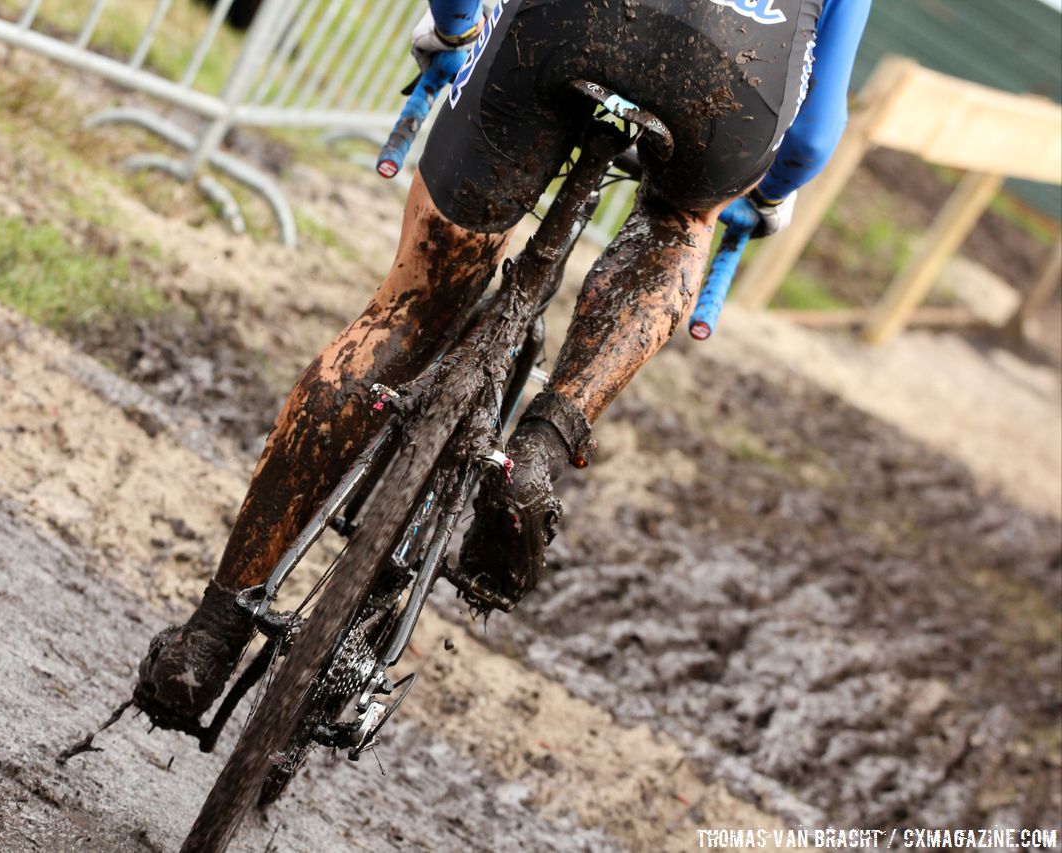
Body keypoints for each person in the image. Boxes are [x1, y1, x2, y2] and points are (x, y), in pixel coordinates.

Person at [133, 0, 872, 727]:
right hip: (735, 76)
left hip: (565, 24)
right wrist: (765, 193)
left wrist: (454, 27)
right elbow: (813, 134)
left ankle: (211, 634)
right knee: (680, 222)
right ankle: (544, 444)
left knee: (408, 312)